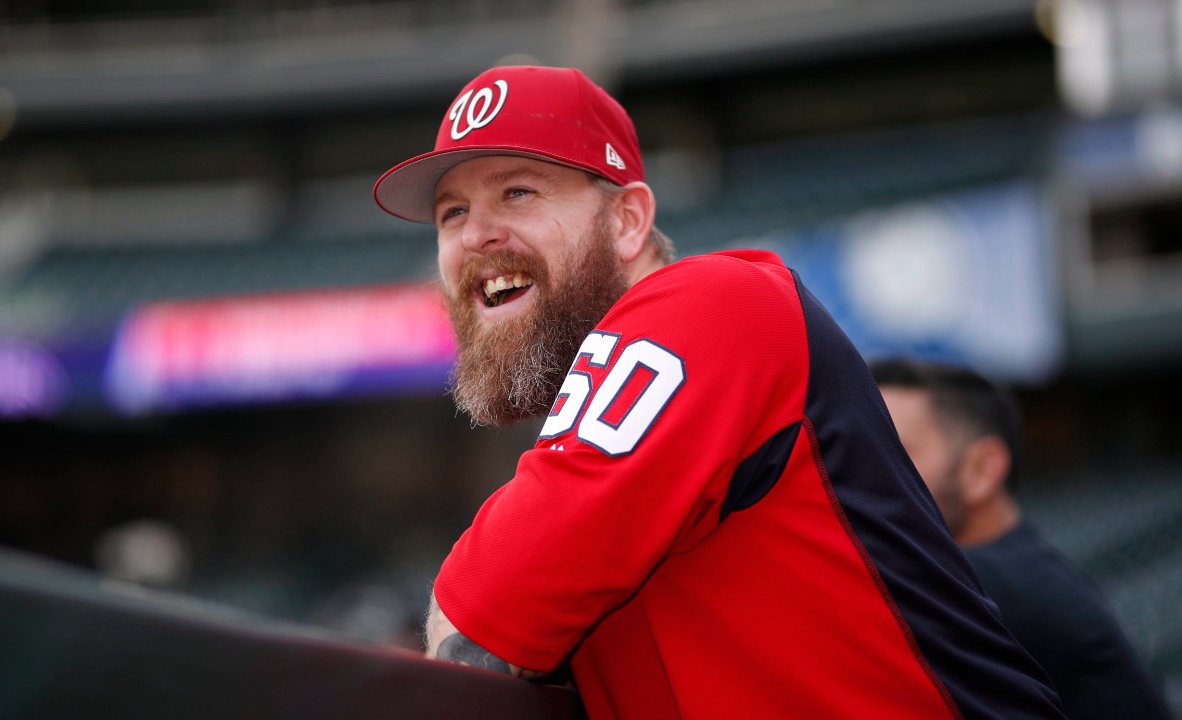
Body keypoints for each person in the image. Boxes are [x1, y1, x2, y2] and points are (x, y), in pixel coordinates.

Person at [372, 64, 1065, 719]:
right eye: (451, 213)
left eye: (517, 192)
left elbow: (485, 612)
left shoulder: (713, 300)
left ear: (628, 221)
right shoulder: (629, 398)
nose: (477, 234)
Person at [871, 357, 1174, 720]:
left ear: (982, 469)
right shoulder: (1014, 572)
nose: (862, 475)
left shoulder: (985, 587)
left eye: (895, 453)